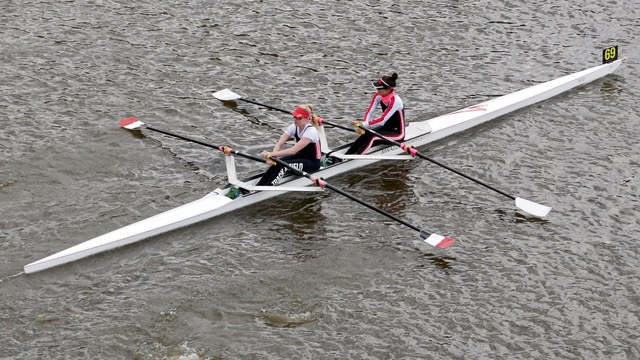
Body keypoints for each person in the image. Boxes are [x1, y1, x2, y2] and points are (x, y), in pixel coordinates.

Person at [256, 104, 322, 186]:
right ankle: (257, 187)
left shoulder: (311, 131)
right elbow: (279, 144)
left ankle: (267, 188)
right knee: (277, 163)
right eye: (294, 117)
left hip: (313, 163)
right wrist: (273, 158)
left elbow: (293, 151)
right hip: (299, 157)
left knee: (283, 166)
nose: (295, 119)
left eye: (298, 118)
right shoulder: (293, 127)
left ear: (306, 118)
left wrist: (271, 154)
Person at [345, 72, 405, 155]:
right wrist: (364, 127)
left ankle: (355, 159)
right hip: (385, 128)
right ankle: (347, 155)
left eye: (379, 89)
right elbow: (370, 111)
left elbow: (382, 120)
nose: (377, 91)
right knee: (366, 133)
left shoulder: (395, 101)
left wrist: (363, 124)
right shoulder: (378, 95)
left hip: (398, 134)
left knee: (372, 136)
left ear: (388, 90)